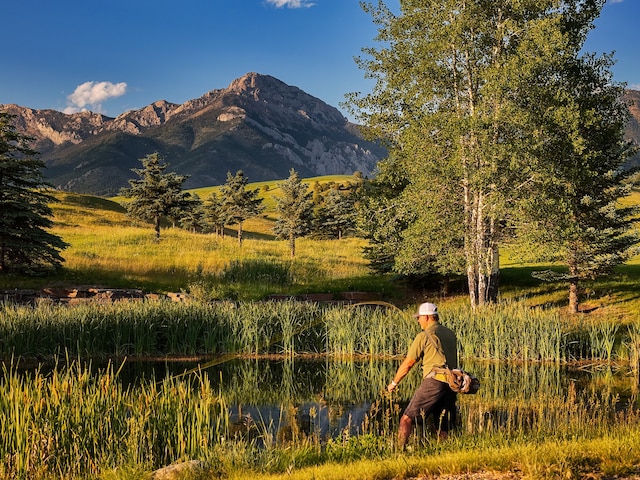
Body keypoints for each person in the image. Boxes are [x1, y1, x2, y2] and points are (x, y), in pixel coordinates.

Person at [387, 301, 458, 448]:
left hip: (434, 382)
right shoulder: (450, 333)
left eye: (419, 317)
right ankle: (442, 454)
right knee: (442, 425)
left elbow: (408, 363)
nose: (418, 320)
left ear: (426, 317)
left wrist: (394, 383)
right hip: (452, 383)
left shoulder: (424, 335)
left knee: (406, 419)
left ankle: (399, 453)